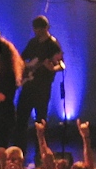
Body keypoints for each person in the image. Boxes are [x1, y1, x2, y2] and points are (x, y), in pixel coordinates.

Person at [13, 15, 64, 160]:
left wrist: (52, 68)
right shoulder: (33, 42)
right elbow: (22, 59)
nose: (37, 32)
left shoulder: (52, 44)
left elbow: (61, 64)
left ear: (46, 28)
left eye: (40, 29)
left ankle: (40, 154)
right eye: (36, 29)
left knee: (40, 120)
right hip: (28, 85)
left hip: (43, 87)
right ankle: (19, 153)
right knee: (21, 119)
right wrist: (24, 69)